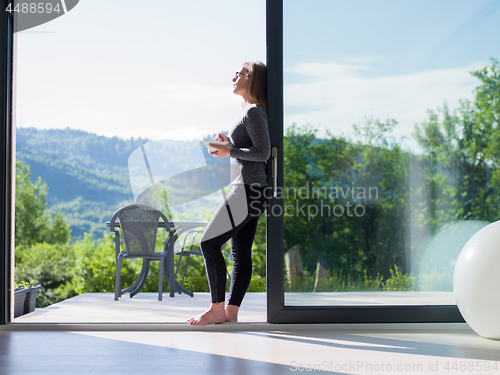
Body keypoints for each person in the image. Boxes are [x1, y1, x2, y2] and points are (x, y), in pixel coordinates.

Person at [187, 61, 270, 325]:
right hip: (252, 190)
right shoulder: (252, 112)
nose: (235, 76)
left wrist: (228, 150)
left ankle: (216, 309)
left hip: (247, 190)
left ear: (253, 80)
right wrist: (230, 145)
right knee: (240, 253)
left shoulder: (255, 111)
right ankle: (230, 313)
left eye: (241, 73)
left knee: (208, 243)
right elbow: (252, 150)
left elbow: (263, 153)